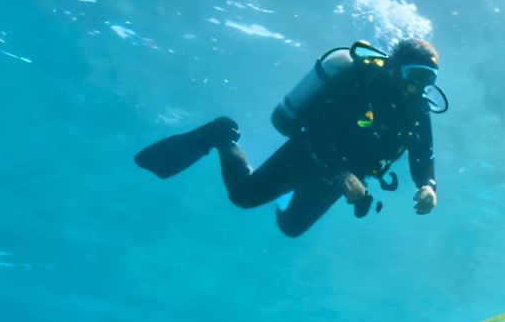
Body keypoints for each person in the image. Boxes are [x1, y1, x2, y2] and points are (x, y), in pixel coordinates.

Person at [135, 37, 444, 237]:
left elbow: (422, 152)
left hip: (347, 178)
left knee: (291, 227)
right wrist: (342, 173)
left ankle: (287, 195)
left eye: (426, 79)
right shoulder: (358, 83)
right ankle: (222, 134)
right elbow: (317, 126)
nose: (416, 86)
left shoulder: (417, 109)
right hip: (308, 154)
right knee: (243, 196)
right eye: (413, 75)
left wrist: (427, 186)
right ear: (394, 68)